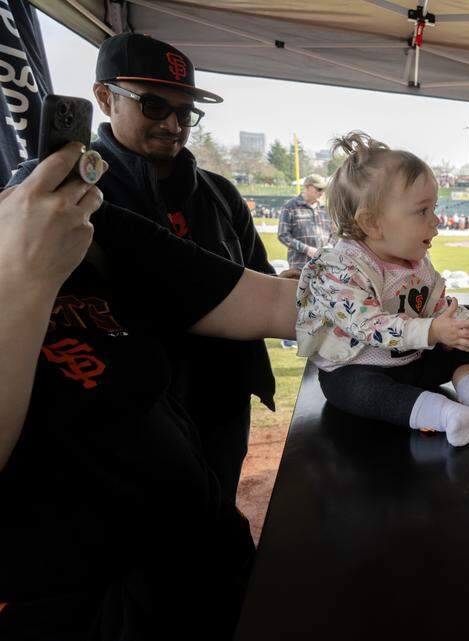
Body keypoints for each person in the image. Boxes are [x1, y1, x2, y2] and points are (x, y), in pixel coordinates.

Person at [0, 144, 298, 639]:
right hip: (79, 607)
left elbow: (261, 299)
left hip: (203, 556)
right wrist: (27, 274)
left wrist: (401, 305)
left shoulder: (85, 223)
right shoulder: (29, 248)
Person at [8, 33, 278, 509]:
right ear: (104, 97)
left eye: (185, 112)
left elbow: (261, 277)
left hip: (221, 399)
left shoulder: (220, 193)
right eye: (154, 105)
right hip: (122, 417)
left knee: (215, 521)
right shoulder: (53, 194)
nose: (173, 125)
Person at [296, 132, 469, 447]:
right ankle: (442, 413)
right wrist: (432, 331)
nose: (436, 221)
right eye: (423, 211)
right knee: (358, 389)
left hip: (409, 361)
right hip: (359, 367)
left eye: (434, 208)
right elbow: (369, 326)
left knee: (458, 335)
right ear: (372, 223)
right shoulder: (340, 268)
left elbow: (437, 308)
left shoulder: (415, 262)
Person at [277, 173, 333, 270]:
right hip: (300, 266)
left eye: (323, 189)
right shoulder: (290, 206)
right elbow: (283, 235)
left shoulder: (326, 208)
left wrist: (329, 247)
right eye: (319, 189)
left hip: (324, 266)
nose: (321, 193)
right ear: (307, 187)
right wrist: (307, 250)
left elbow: (334, 234)